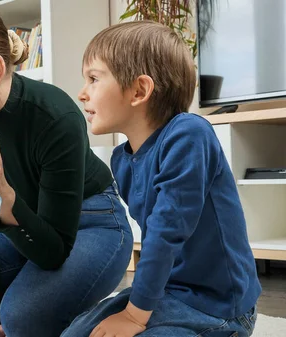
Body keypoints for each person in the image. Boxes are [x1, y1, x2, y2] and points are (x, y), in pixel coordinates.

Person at [0, 1, 133, 336]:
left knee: (22, 318)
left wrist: (5, 195)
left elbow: (53, 252)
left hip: (89, 222)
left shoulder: (55, 117)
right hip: (13, 221)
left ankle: (108, 307)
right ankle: (39, 296)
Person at [61, 21, 261, 337]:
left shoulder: (190, 134)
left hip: (219, 305)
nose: (82, 93)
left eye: (93, 79)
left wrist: (136, 317)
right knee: (76, 333)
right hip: (169, 291)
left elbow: (166, 232)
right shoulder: (121, 159)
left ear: (139, 90)